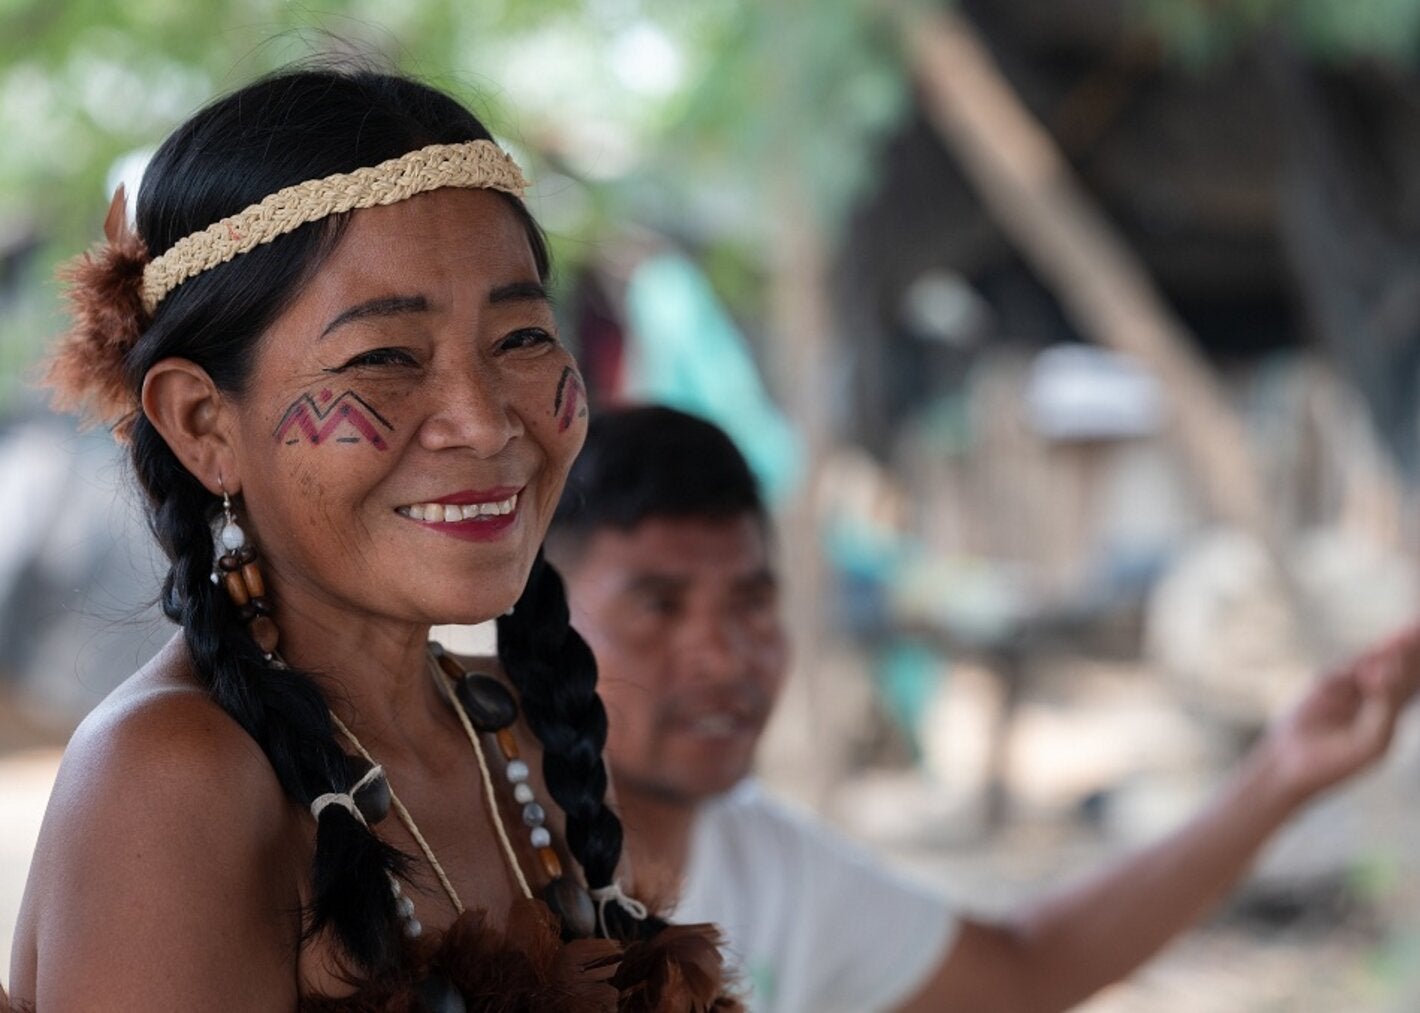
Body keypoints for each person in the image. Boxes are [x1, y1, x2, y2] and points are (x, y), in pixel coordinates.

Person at [7, 69, 737, 1012]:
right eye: (386, 357)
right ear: (202, 424)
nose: (482, 421)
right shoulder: (172, 780)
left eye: (519, 337)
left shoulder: (516, 741)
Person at [546, 404, 1420, 1013]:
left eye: (752, 602)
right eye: (659, 606)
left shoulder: (774, 870)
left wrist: (1282, 776)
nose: (725, 654)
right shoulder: (455, 863)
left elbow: (1026, 973)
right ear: (534, 626)